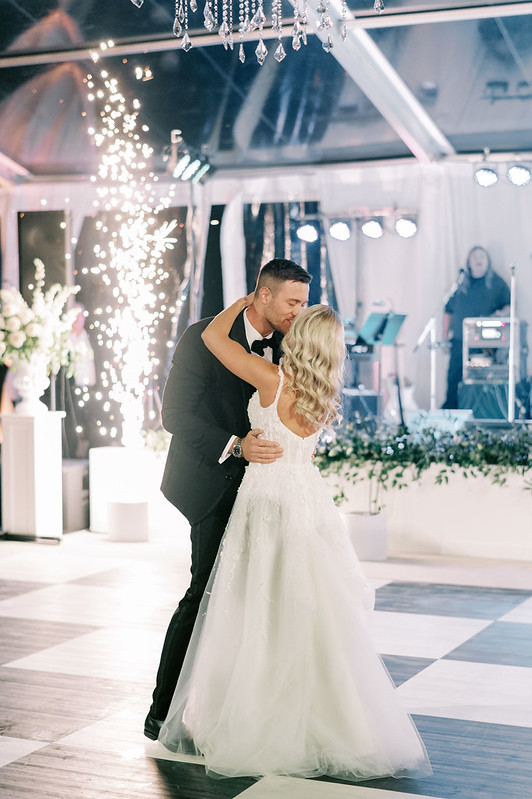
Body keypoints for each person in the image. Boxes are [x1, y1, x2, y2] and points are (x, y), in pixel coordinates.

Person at [157, 298, 432, 782]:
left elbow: (214, 340)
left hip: (265, 500)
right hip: (307, 501)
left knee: (254, 605)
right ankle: (323, 717)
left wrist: (247, 301)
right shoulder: (321, 393)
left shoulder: (272, 378)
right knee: (306, 610)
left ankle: (259, 712)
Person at [144, 259, 312, 740]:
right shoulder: (203, 336)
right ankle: (162, 711)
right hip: (212, 481)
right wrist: (236, 445)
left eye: (303, 303)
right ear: (263, 295)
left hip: (271, 490)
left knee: (263, 597)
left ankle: (246, 710)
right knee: (206, 593)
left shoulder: (293, 339)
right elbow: (175, 415)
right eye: (292, 302)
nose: (299, 312)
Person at [442, 246, 510, 409]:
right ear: (469, 262)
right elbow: (448, 312)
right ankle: (451, 411)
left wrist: (501, 313)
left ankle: (477, 411)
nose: (478, 260)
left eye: (482, 257)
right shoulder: (460, 284)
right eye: (475, 257)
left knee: (479, 380)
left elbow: (509, 305)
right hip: (459, 340)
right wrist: (444, 337)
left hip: (484, 344)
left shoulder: (497, 283)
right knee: (453, 378)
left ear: (488, 262)